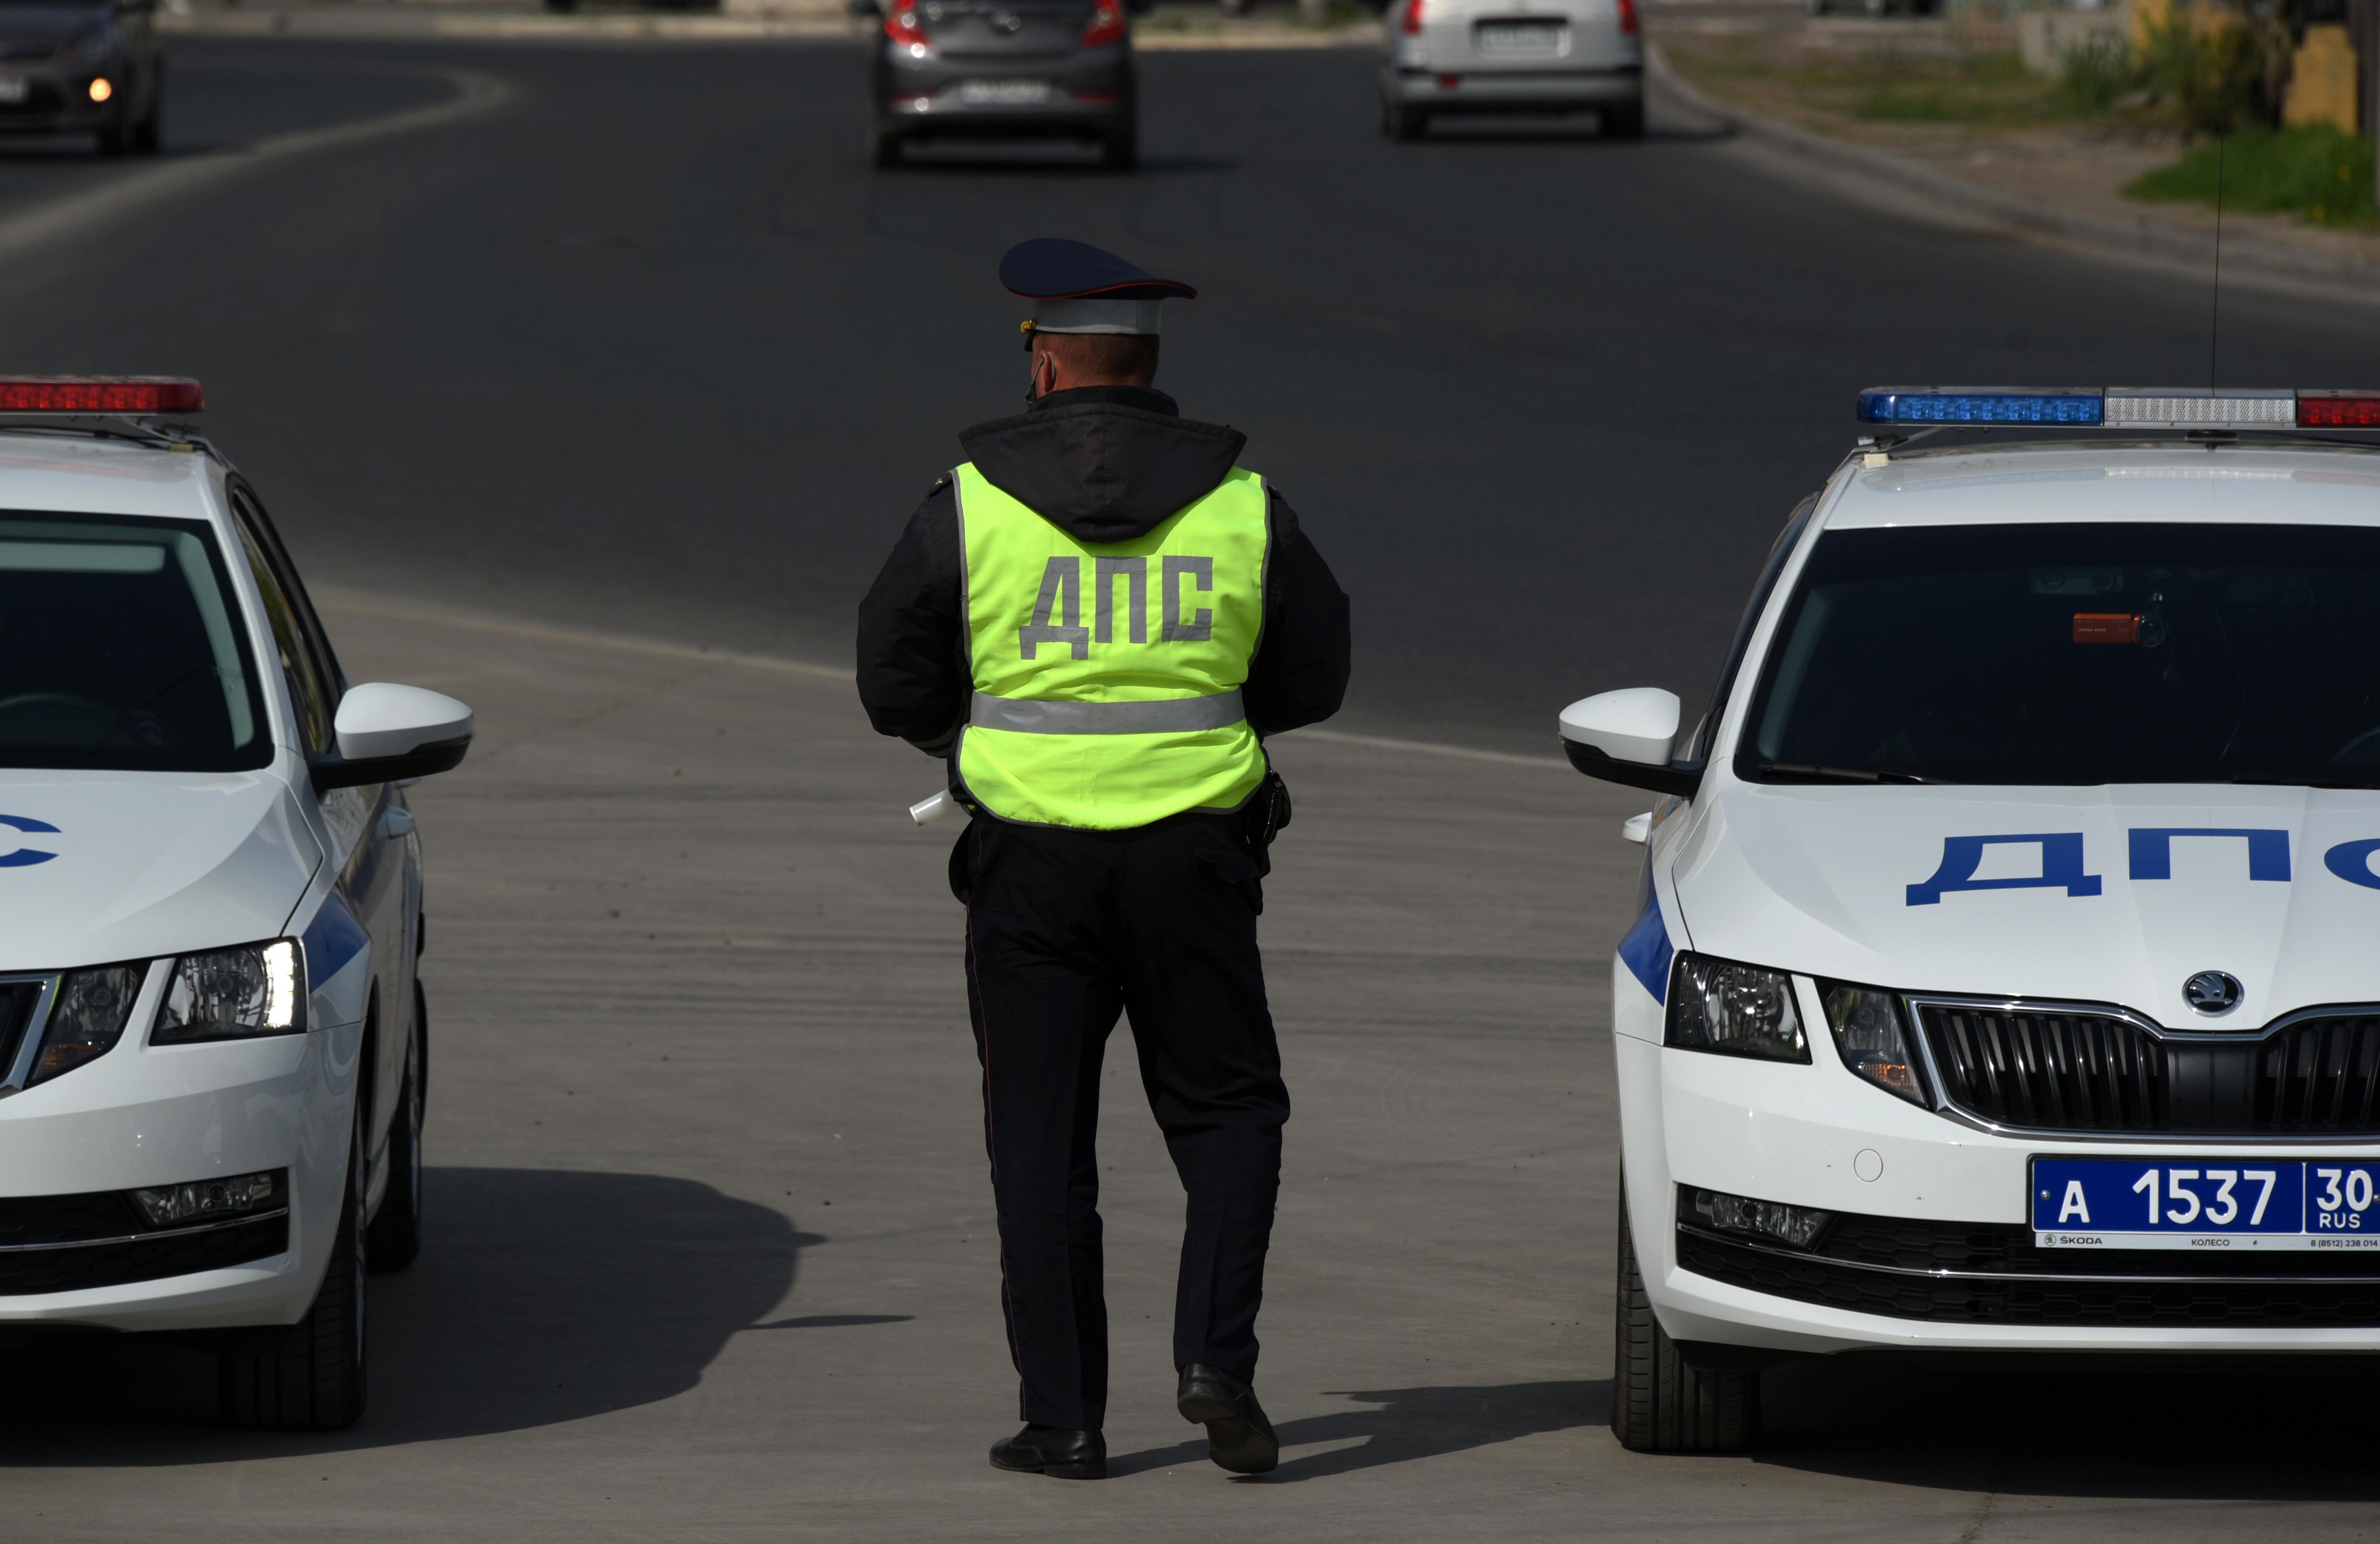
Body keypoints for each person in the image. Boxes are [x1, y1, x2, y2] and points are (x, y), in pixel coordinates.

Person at [856, 238, 1351, 1481]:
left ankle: (1065, 1420)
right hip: (1195, 861)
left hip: (1028, 869)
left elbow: (890, 674)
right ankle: (1215, 1363)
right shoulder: (1245, 503)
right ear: (1145, 365)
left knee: (1039, 1141)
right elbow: (1315, 673)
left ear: (1048, 361)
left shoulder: (966, 501)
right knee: (1231, 1110)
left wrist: (969, 738)